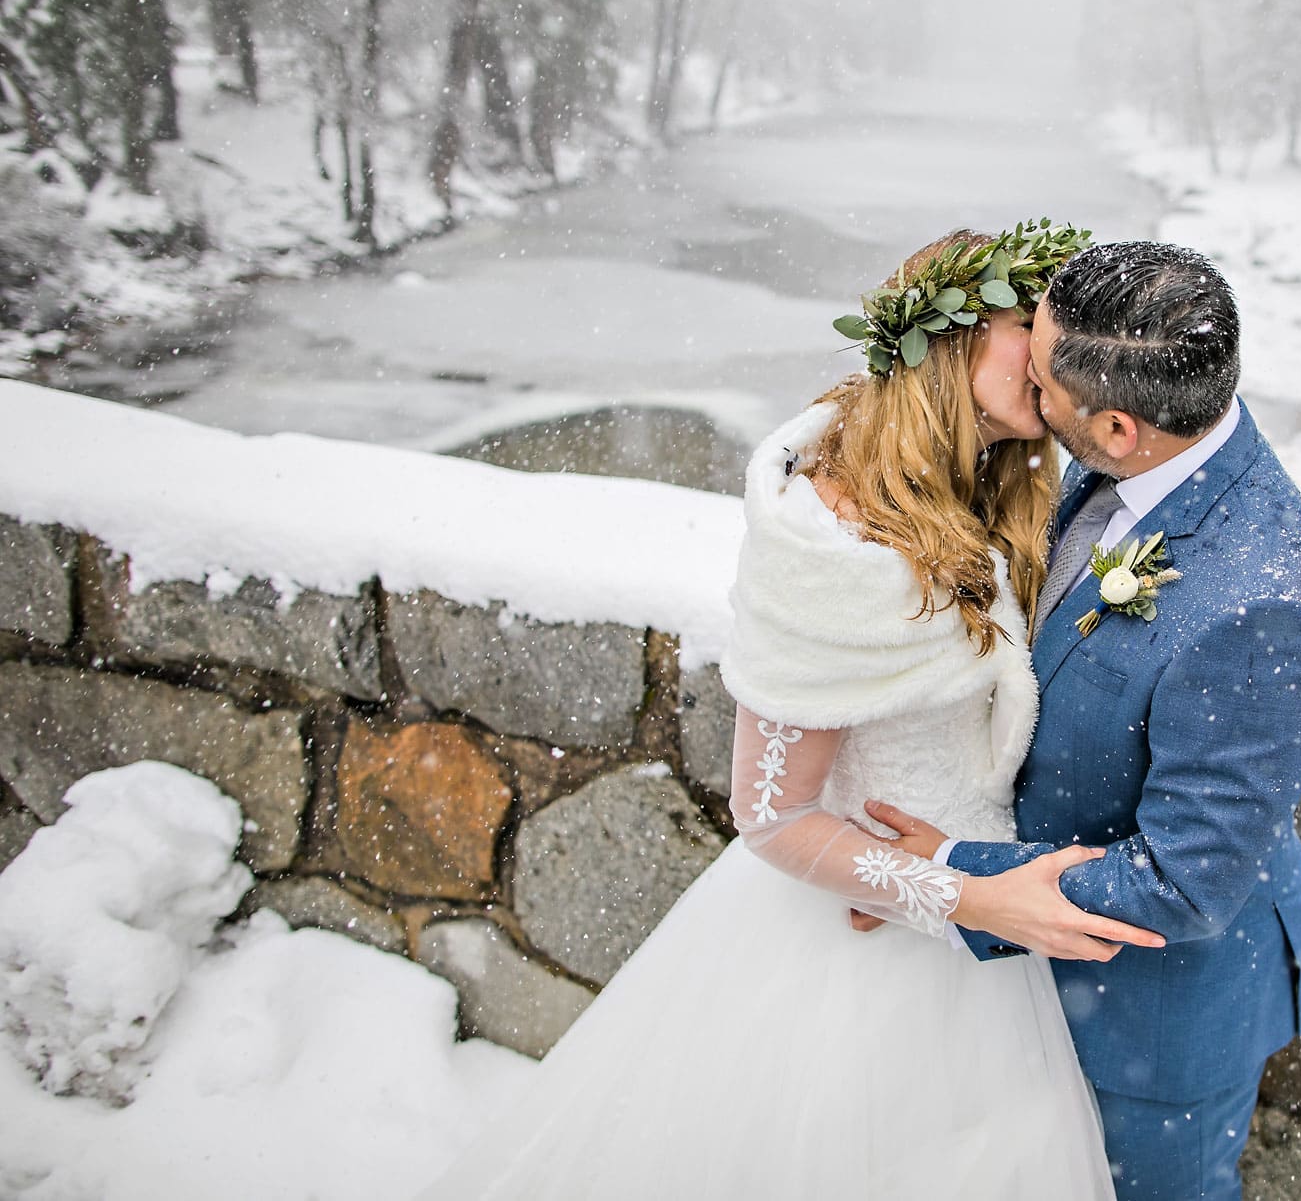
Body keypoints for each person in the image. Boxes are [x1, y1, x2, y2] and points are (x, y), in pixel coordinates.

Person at [413, 223, 1157, 1201]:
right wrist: (959, 895)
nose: (1058, 352)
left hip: (974, 921)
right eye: (1030, 323)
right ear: (949, 334)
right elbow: (771, 813)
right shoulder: (831, 532)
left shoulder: (995, 489)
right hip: (870, 944)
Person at [865, 239, 1301, 1200]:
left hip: (1155, 1029)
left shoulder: (1262, 612)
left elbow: (1183, 880)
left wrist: (951, 876)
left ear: (1119, 428)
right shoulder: (1156, 441)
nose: (1019, 391)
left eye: (1038, 383)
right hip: (1044, 986)